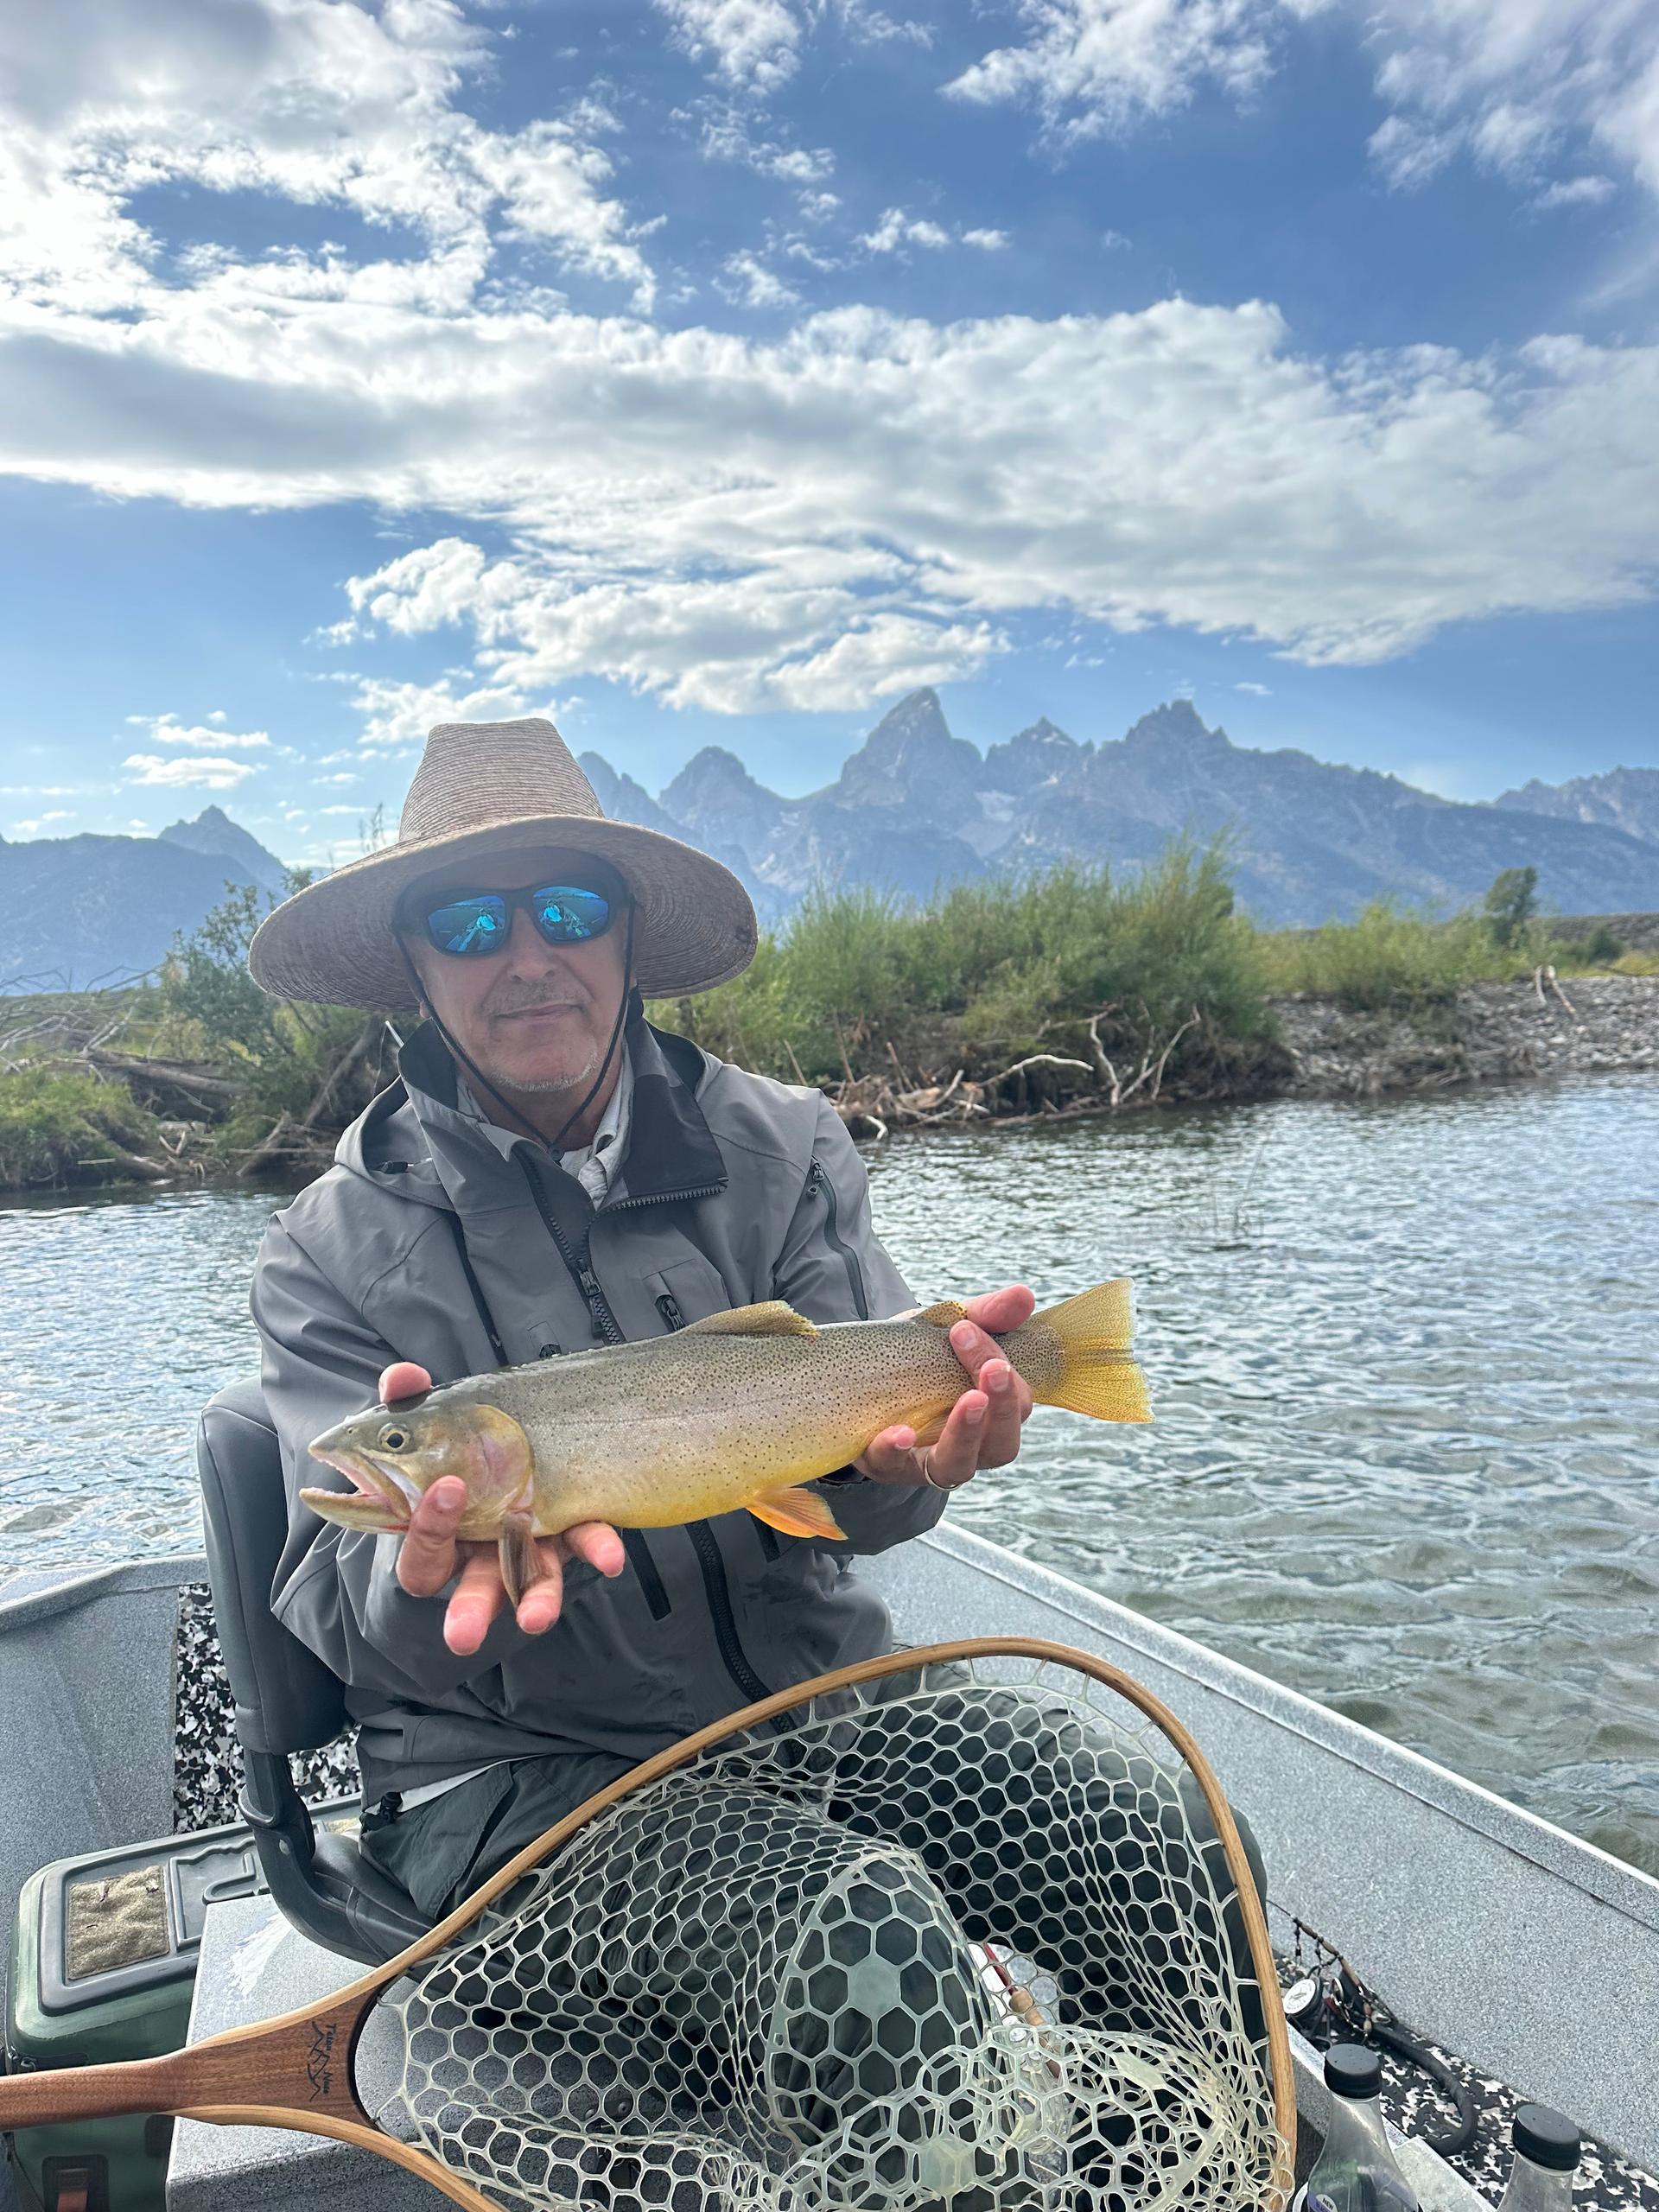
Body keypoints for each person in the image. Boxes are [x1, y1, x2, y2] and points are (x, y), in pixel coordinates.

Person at [246, 716, 1040, 1922]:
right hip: (515, 1782)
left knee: (1164, 1837)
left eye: (565, 911)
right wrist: (427, 1581)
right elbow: (344, 1622)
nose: (525, 958)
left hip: (816, 1707)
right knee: (863, 1944)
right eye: (468, 924)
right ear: (415, 966)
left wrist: (913, 1466)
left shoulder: (785, 1145)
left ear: (625, 935)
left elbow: (877, 1504)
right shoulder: (321, 1251)